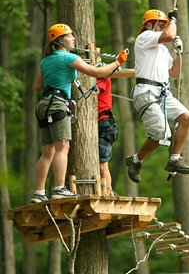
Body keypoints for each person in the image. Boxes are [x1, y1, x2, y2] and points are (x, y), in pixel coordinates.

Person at [30, 23, 127, 204]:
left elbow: (38, 86)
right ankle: (59, 188)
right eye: (70, 36)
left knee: (47, 152)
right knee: (63, 147)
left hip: (44, 105)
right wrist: (118, 62)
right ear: (60, 40)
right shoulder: (68, 58)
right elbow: (97, 72)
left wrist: (59, 76)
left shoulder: (45, 60)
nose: (73, 38)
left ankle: (39, 192)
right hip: (58, 105)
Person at [125, 8, 189, 183]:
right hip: (146, 92)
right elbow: (169, 35)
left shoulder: (162, 49)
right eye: (161, 24)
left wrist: (178, 52)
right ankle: (136, 160)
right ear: (149, 24)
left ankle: (175, 159)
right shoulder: (145, 37)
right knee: (161, 134)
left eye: (165, 24)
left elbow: (175, 72)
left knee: (186, 117)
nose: (164, 27)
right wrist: (174, 21)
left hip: (163, 92)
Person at [97, 76, 118, 192]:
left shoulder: (101, 76)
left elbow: (92, 94)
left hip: (104, 123)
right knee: (99, 163)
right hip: (99, 122)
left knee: (102, 164)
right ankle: (105, 191)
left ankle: (108, 192)